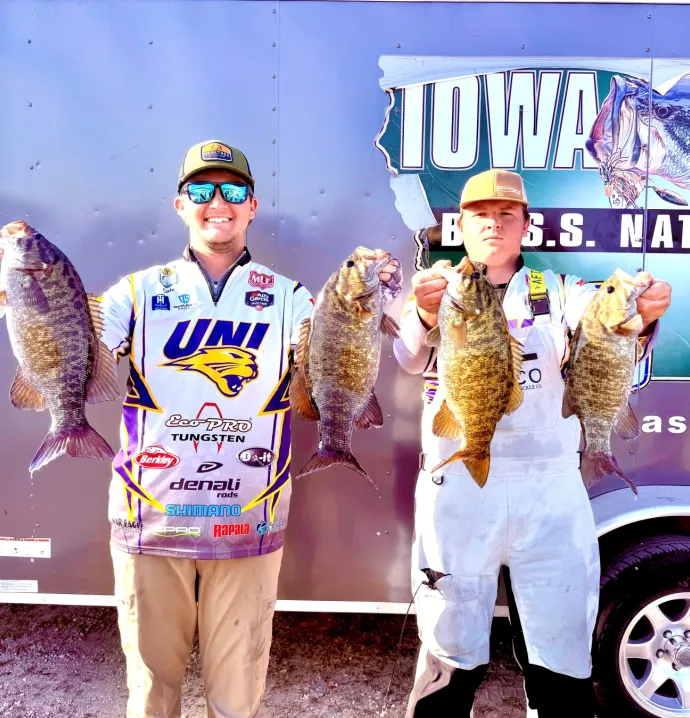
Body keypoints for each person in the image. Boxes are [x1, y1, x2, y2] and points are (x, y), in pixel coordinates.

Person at [98, 139, 399, 718]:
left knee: (237, 696)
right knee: (150, 693)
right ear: (179, 204)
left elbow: (342, 347)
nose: (219, 203)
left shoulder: (288, 298)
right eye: (203, 191)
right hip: (148, 516)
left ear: (252, 206)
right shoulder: (135, 292)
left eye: (233, 191)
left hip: (248, 517)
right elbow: (78, 349)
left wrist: (389, 286)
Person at [393, 169, 672, 718]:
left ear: (526, 226)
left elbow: (609, 331)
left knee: (561, 653)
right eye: (480, 215)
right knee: (450, 646)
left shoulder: (563, 290)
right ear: (461, 224)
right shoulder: (439, 289)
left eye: (506, 215)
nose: (493, 225)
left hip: (549, 493)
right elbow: (407, 357)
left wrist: (642, 315)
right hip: (459, 489)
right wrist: (424, 313)